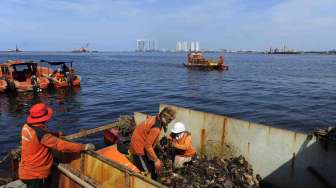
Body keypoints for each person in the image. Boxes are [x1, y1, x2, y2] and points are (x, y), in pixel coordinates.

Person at [19, 103, 95, 188]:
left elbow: (40, 135)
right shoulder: (43, 135)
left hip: (25, 170)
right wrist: (83, 147)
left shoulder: (26, 127)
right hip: (37, 175)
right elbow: (61, 145)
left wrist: (56, 134)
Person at [129, 106, 176, 180]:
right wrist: (156, 160)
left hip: (141, 143)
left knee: (151, 165)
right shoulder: (156, 127)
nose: (170, 122)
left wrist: (159, 147)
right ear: (165, 117)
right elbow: (147, 146)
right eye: (169, 120)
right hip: (138, 148)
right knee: (145, 171)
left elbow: (153, 138)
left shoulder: (156, 118)